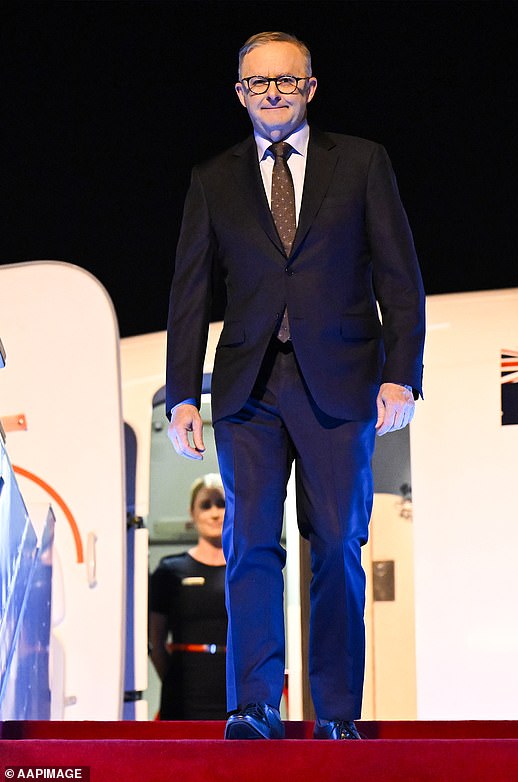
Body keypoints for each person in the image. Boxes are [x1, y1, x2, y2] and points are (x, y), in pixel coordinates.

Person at [166, 31, 425, 740]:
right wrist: (183, 392)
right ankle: (255, 706)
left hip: (341, 382)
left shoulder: (363, 163)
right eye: (258, 82)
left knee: (338, 541)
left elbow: (400, 279)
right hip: (249, 386)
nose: (272, 91)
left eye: (286, 79)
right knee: (251, 542)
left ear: (310, 87)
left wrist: (403, 374)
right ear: (240, 93)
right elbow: (189, 292)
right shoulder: (213, 178)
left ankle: (338, 711)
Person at [149, 477, 227, 720]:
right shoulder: (169, 570)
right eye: (206, 505)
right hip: (181, 696)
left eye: (221, 503)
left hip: (234, 696)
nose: (215, 513)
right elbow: (155, 642)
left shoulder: (245, 570)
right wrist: (175, 682)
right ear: (192, 513)